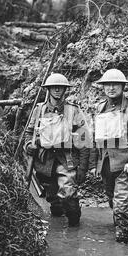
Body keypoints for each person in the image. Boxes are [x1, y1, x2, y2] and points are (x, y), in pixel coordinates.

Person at [89, 69, 128, 243]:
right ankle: (119, 222)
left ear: (123, 86)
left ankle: (123, 240)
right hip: (107, 165)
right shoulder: (100, 108)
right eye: (107, 85)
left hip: (127, 164)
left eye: (115, 84)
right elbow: (95, 138)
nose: (111, 88)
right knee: (112, 199)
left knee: (121, 203)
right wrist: (94, 164)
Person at [24, 73, 91, 227]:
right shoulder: (39, 110)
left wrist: (83, 167)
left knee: (68, 194)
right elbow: (29, 132)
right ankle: (57, 222)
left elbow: (84, 138)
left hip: (65, 159)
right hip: (44, 161)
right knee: (53, 199)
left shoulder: (73, 110)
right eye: (53, 87)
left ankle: (74, 225)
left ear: (65, 90)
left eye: (60, 87)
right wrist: (29, 145)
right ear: (48, 89)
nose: (57, 90)